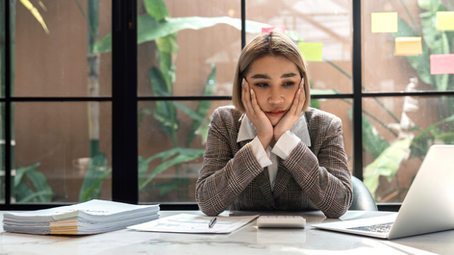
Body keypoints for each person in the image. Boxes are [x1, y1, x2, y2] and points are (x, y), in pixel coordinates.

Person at [195, 31, 352, 218]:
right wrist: (261, 140)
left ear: (302, 85)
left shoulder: (326, 126)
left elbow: (339, 205)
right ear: (242, 85)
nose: (276, 99)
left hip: (308, 243)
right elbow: (207, 202)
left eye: (288, 83)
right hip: (243, 243)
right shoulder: (225, 122)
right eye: (262, 84)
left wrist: (287, 141)